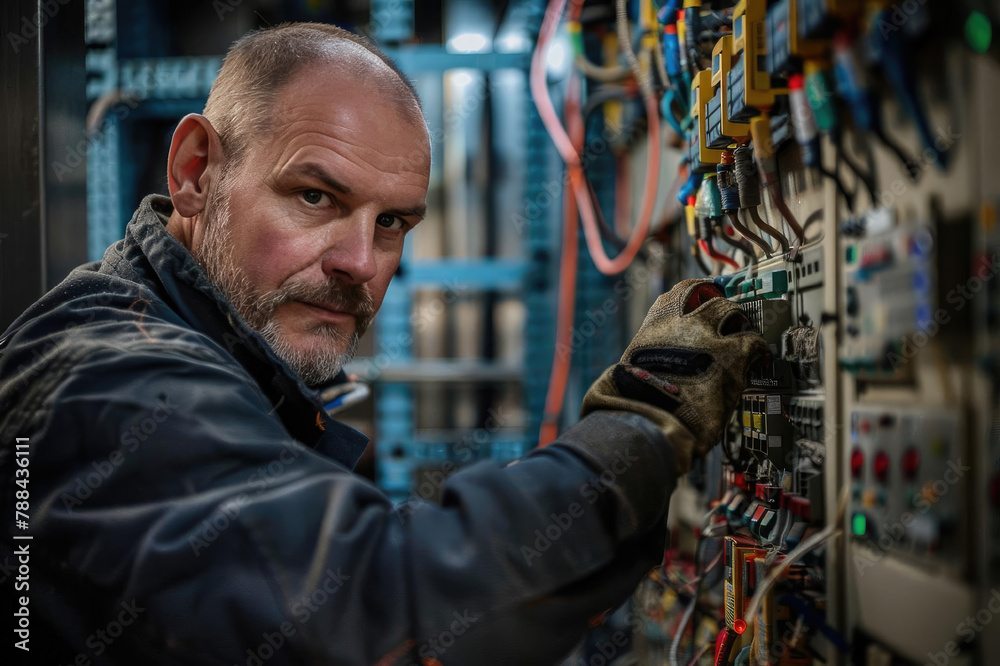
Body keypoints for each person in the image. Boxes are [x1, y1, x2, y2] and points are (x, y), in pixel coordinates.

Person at [0, 22, 767, 665]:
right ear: (197, 171)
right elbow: (383, 608)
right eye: (315, 196)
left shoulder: (189, 345)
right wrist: (644, 423)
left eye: (392, 223)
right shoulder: (106, 377)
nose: (360, 264)